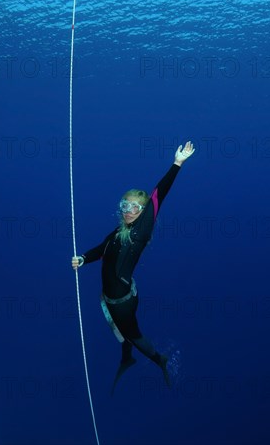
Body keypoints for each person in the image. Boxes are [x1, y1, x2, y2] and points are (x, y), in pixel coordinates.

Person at [72, 141, 195, 393]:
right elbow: (102, 248)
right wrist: (83, 258)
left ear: (143, 211)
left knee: (133, 334)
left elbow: (158, 195)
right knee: (121, 330)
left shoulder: (140, 231)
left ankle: (157, 359)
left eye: (135, 207)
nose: (129, 211)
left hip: (123, 302)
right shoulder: (120, 231)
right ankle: (126, 355)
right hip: (110, 298)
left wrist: (177, 163)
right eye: (125, 206)